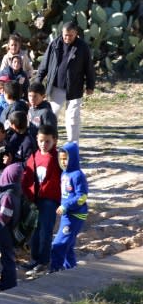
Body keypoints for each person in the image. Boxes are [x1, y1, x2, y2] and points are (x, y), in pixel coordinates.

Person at [34, 21, 95, 143]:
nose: (67, 38)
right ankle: (48, 141)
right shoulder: (55, 44)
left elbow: (89, 67)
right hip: (56, 87)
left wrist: (90, 85)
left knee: (72, 118)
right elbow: (44, 65)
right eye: (65, 35)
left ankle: (73, 145)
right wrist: (37, 82)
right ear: (62, 32)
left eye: (70, 35)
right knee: (51, 115)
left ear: (76, 33)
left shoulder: (82, 47)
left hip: (75, 88)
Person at [21, 124, 62, 276]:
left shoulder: (58, 158)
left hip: (49, 201)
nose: (43, 145)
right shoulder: (35, 156)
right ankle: (34, 259)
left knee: (45, 231)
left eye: (47, 142)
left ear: (55, 141)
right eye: (40, 141)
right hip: (35, 199)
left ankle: (43, 261)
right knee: (35, 231)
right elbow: (27, 177)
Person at [50, 142, 89, 272]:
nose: (63, 162)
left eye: (66, 158)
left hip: (75, 215)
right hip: (67, 214)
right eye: (61, 159)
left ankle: (55, 270)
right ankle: (71, 269)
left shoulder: (77, 175)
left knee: (58, 244)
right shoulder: (64, 174)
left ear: (73, 158)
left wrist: (66, 206)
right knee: (68, 245)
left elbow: (82, 197)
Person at [0, 163, 23, 292]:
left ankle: (8, 285)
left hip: (4, 231)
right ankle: (8, 283)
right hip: (9, 231)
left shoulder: (8, 195)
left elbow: (3, 217)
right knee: (8, 257)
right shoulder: (16, 190)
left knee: (7, 258)